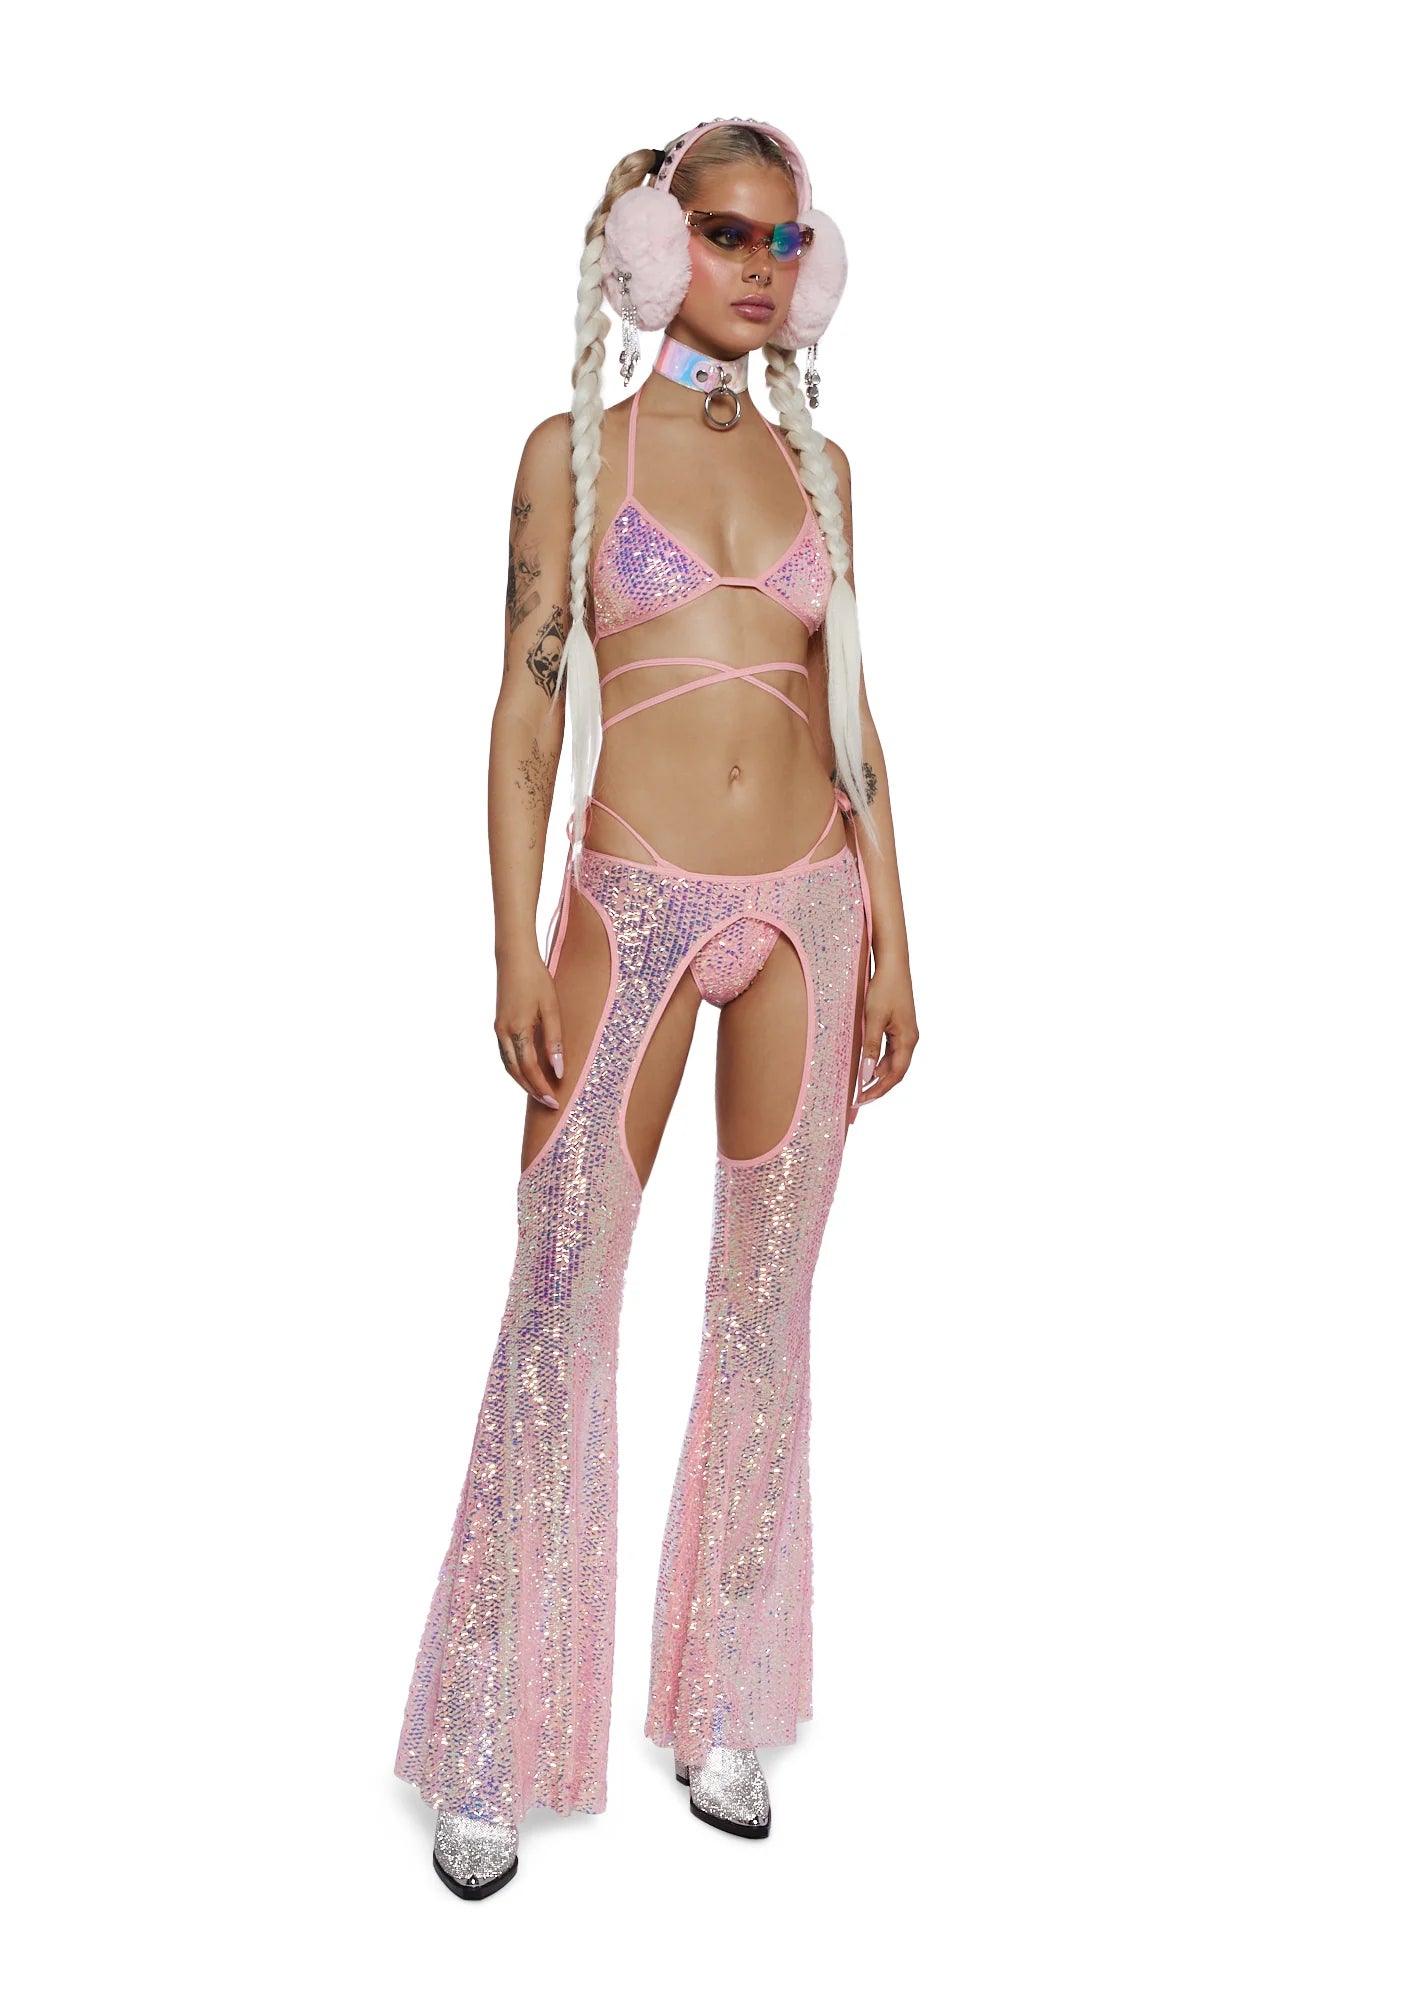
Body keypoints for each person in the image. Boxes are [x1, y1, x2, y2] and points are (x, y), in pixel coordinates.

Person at [393, 116, 918, 1899]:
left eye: (786, 239)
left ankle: (724, 1705)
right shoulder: (573, 456)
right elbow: (527, 707)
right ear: (647, 242)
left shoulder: (822, 472)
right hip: (629, 904)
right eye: (726, 233)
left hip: (811, 908)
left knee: (764, 1315)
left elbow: (853, 713)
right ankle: (488, 1740)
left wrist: (899, 934)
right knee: (559, 1301)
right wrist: (508, 947)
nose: (761, 267)